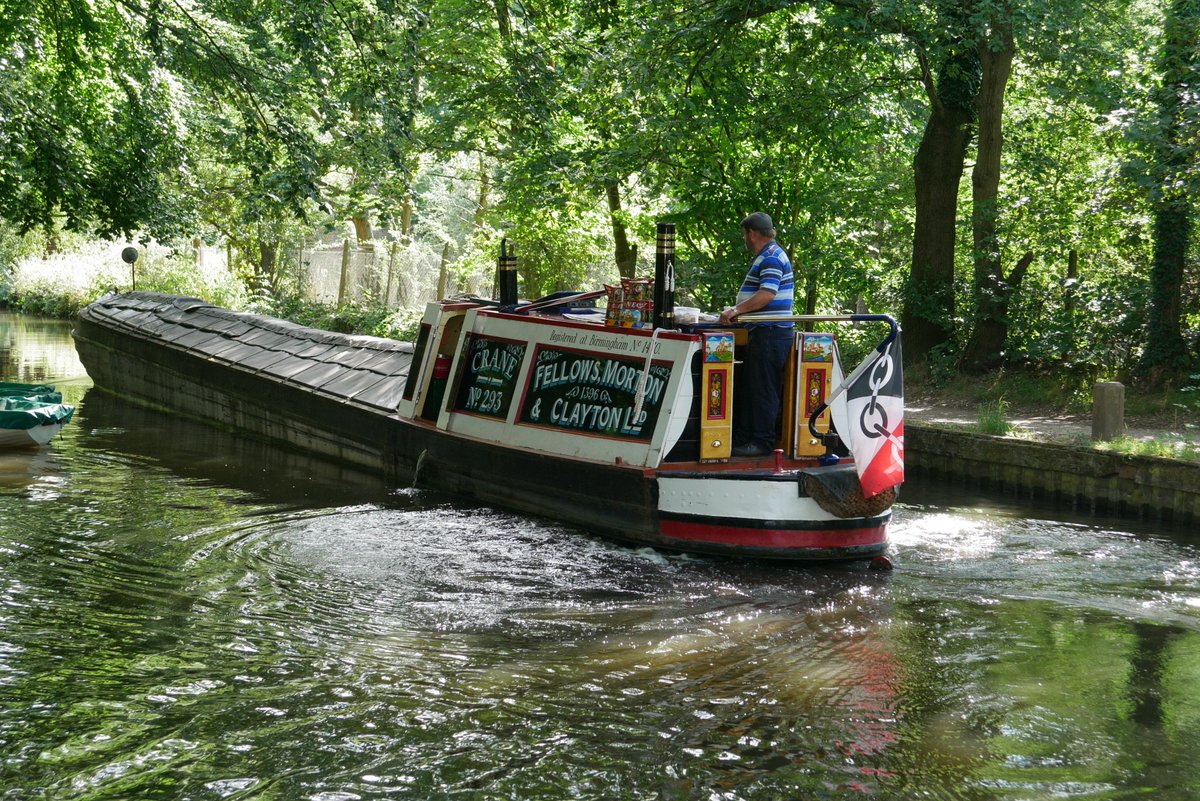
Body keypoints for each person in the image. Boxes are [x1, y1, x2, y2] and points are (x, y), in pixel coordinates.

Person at [718, 212, 795, 457]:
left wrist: (736, 310)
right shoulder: (770, 254)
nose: (745, 239)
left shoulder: (771, 257)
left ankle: (761, 441)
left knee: (763, 388)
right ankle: (745, 437)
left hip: (770, 333)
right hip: (763, 332)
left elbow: (767, 294)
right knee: (753, 386)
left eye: (745, 234)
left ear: (752, 233)